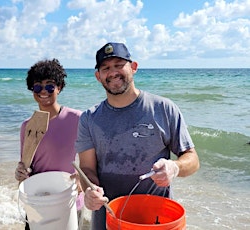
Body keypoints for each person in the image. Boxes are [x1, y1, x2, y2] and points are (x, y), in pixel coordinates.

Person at [76, 42, 200, 229]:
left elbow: (192, 160)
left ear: (133, 67)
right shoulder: (89, 118)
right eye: (106, 68)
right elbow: (87, 168)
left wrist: (174, 167)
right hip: (107, 215)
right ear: (98, 76)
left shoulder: (163, 108)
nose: (113, 72)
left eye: (119, 65)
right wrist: (90, 190)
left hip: (155, 216)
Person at [14, 58, 83, 229]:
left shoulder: (78, 119)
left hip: (69, 199)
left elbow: (93, 159)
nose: (43, 91)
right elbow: (27, 165)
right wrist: (21, 173)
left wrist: (83, 180)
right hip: (38, 201)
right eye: (37, 86)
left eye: (50, 86)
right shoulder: (27, 126)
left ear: (59, 88)